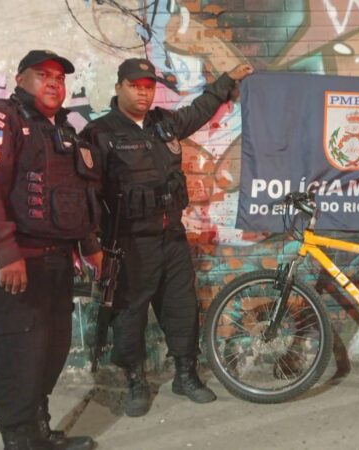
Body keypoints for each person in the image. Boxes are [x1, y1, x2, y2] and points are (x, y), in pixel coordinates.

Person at [81, 58, 253, 417]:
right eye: (135, 85)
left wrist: (227, 80)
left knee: (181, 308)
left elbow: (201, 109)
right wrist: (91, 245)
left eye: (148, 86)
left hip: (172, 236)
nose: (143, 92)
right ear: (119, 87)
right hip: (129, 242)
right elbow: (86, 194)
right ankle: (135, 381)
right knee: (130, 315)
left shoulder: (165, 124)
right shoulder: (99, 133)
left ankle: (185, 375)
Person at [0, 50, 102, 450]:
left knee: (51, 351)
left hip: (55, 263)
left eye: (59, 77)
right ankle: (20, 439)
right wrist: (5, 252)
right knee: (20, 355)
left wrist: (90, 247)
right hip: (17, 263)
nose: (54, 83)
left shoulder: (64, 132)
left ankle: (38, 430)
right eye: (43, 75)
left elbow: (77, 196)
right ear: (21, 78)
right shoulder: (0, 118)